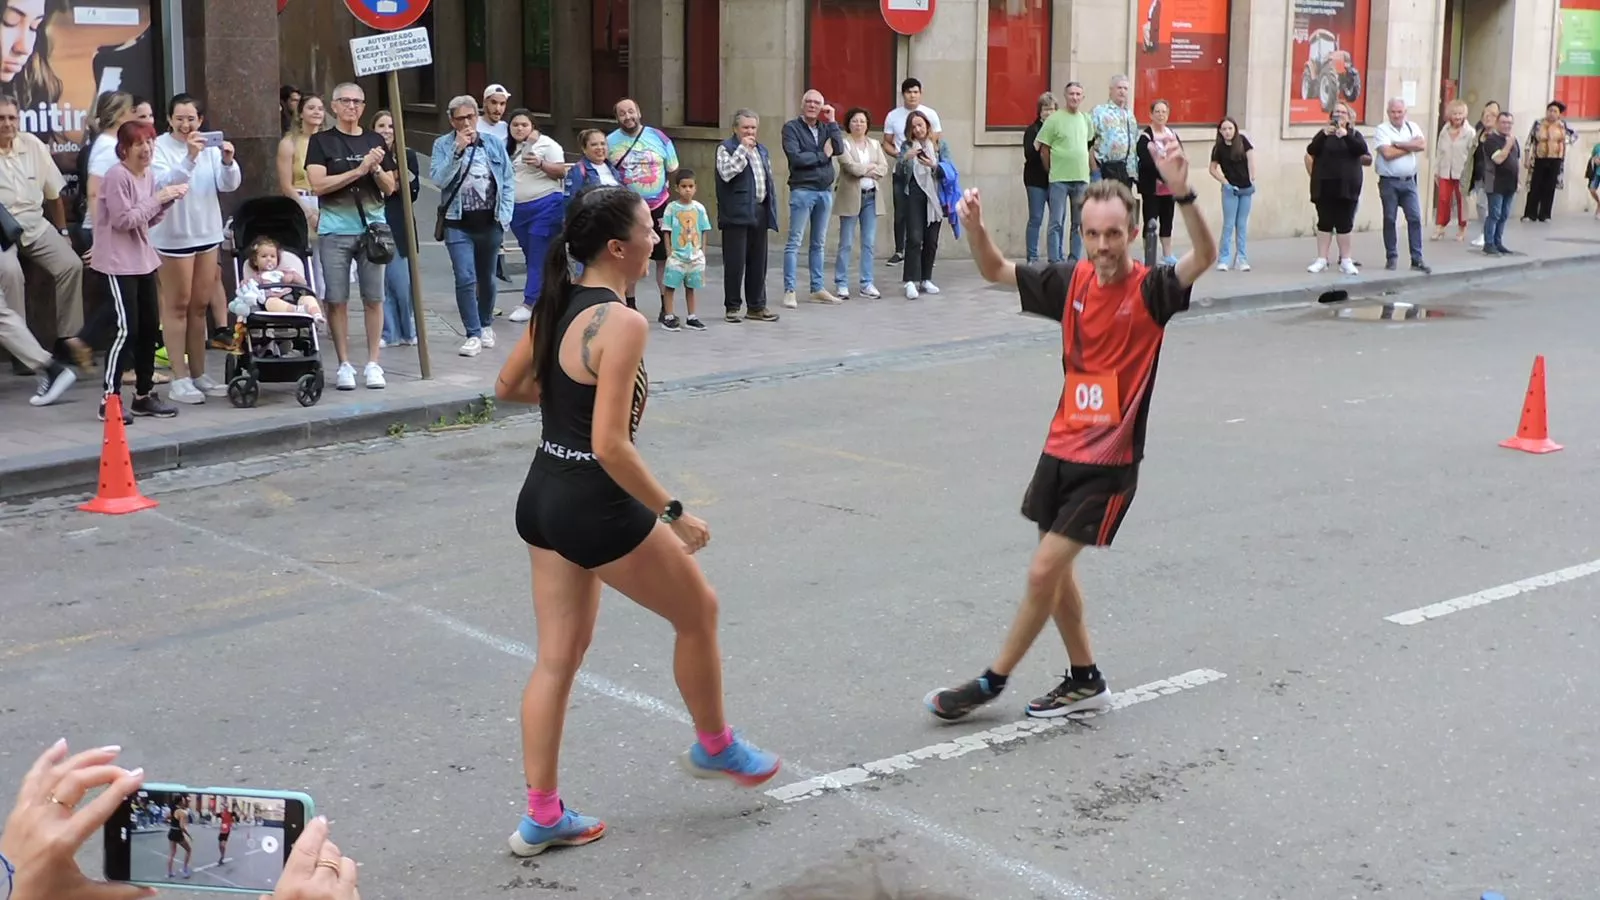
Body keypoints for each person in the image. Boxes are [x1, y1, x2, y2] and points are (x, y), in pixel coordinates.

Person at [493, 184, 781, 857]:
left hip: (542, 496)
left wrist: (565, 394)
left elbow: (507, 388)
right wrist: (674, 514)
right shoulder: (621, 323)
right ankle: (714, 744)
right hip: (594, 502)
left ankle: (541, 815)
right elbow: (611, 446)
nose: (659, 236)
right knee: (698, 612)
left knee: (557, 658)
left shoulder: (559, 304)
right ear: (619, 248)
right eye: (650, 229)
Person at [923, 141, 1216, 721]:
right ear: (1080, 233)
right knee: (1055, 575)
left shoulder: (1153, 291)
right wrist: (976, 227)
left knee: (1042, 571)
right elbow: (992, 270)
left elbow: (1203, 254)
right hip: (1060, 450)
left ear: (1132, 233)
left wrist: (1182, 192)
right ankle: (1085, 678)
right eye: (1092, 234)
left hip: (1109, 466)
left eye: (1113, 234)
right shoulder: (1071, 281)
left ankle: (991, 681)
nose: (1102, 246)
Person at [0, 738, 361, 900]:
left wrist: (13, 886)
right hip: (179, 832)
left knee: (182, 853)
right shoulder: (184, 812)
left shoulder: (189, 812)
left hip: (176, 833)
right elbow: (187, 822)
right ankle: (186, 864)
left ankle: (183, 865)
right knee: (185, 851)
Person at [150, 93, 243, 405]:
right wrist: (189, 157)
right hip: (174, 236)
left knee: (199, 307)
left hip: (207, 232)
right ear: (169, 119)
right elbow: (165, 184)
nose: (185, 124)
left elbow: (227, 184)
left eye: (191, 118)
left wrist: (228, 161)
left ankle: (199, 373)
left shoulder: (210, 148)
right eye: (179, 118)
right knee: (177, 306)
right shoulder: (160, 146)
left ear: (201, 120)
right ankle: (180, 377)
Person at [94, 119, 188, 423]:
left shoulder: (146, 175)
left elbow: (146, 219)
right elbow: (124, 220)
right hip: (118, 263)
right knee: (126, 330)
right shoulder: (116, 176)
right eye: (139, 143)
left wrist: (166, 202)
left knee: (149, 329)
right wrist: (157, 199)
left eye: (149, 142)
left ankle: (144, 396)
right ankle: (110, 399)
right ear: (125, 148)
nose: (146, 149)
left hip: (144, 260)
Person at [305, 82, 397, 391]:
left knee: (374, 298)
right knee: (337, 299)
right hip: (335, 229)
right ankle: (344, 363)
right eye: (345, 101)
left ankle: (373, 363)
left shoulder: (374, 140)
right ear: (334, 106)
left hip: (373, 230)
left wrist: (374, 170)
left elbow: (389, 188)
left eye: (358, 101)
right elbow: (318, 184)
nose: (352, 106)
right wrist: (358, 170)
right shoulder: (321, 141)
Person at [430, 94, 515, 359]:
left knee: (487, 278)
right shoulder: (443, 145)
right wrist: (457, 150)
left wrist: (506, 216)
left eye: (470, 117)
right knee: (465, 278)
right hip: (457, 223)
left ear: (477, 117)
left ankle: (486, 323)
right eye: (460, 119)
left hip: (490, 221)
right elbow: (438, 180)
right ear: (451, 120)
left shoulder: (492, 143)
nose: (466, 123)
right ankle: (472, 333)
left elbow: (508, 179)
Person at [659, 168, 711, 330]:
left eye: (690, 186)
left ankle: (691, 316)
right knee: (670, 286)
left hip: (694, 255)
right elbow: (666, 231)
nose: (687, 190)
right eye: (683, 186)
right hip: (677, 256)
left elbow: (703, 230)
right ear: (677, 188)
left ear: (695, 187)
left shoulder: (699, 209)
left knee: (691, 287)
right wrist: (669, 253)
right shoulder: (672, 209)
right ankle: (669, 315)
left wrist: (702, 251)